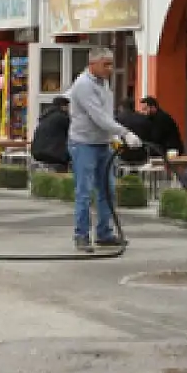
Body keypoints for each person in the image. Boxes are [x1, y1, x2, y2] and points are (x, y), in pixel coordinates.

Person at [67, 48, 143, 252]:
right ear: (93, 64)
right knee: (85, 191)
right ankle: (81, 235)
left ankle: (104, 233)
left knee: (107, 190)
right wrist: (124, 132)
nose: (110, 68)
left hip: (103, 142)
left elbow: (106, 115)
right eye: (106, 64)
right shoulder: (83, 85)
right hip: (84, 143)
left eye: (110, 63)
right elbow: (98, 116)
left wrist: (115, 136)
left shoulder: (103, 83)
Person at [30, 96, 72, 168]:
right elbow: (73, 133)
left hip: (37, 152)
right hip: (53, 153)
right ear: (63, 106)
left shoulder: (46, 115)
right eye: (67, 106)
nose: (69, 109)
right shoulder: (62, 117)